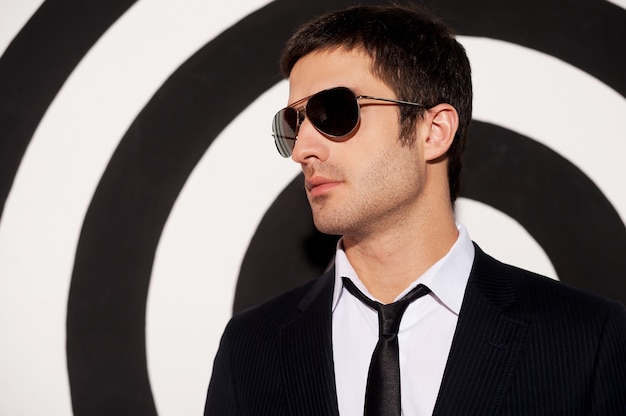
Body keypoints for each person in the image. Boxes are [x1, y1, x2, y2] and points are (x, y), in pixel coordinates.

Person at [204, 4, 626, 415]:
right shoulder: (250, 348)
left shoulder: (588, 339)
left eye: (334, 112)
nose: (304, 150)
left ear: (434, 131)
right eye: (294, 125)